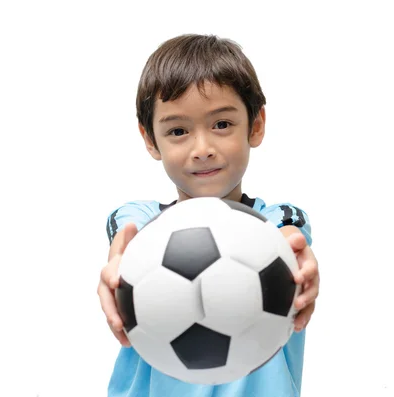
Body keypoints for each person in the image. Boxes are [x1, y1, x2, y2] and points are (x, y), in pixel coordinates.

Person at [97, 33, 320, 397]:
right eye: (178, 131)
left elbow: (290, 237)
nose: (202, 149)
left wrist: (301, 265)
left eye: (221, 125)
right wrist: (117, 264)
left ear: (256, 125)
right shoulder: (142, 221)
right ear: (150, 139)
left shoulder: (275, 220)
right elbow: (126, 237)